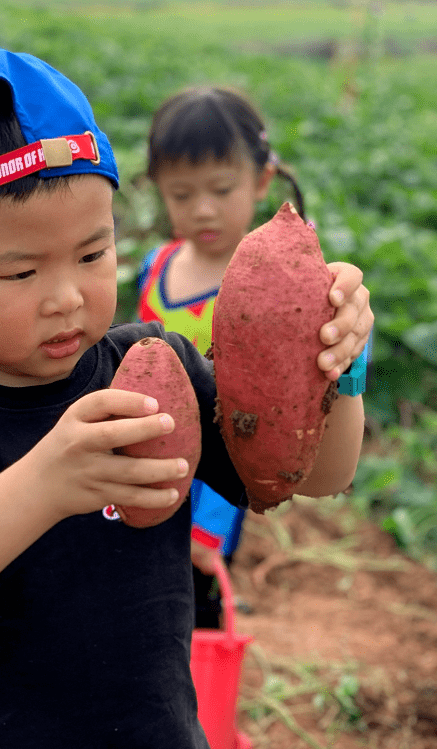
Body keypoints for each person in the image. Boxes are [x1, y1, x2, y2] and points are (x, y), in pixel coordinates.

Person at [0, 50, 371, 749]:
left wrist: (333, 365)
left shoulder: (155, 364)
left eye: (92, 253)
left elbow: (314, 476)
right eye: (21, 271)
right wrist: (42, 485)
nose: (67, 296)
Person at [137, 85, 370, 628]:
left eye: (221, 188)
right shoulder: (156, 264)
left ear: (262, 180)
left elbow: (265, 430)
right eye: (180, 194)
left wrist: (208, 530)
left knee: (194, 601)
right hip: (152, 463)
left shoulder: (278, 287)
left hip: (220, 475)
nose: (203, 209)